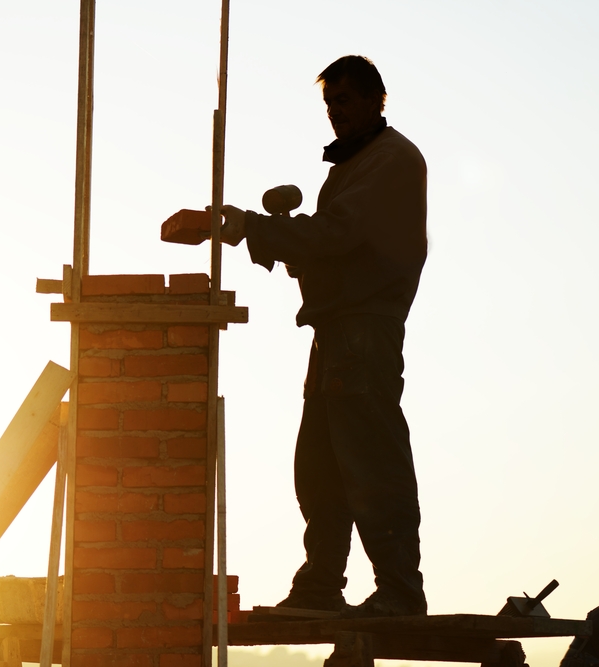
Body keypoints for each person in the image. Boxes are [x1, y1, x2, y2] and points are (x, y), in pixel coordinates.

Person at [220, 55, 428, 617]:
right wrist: (288, 243)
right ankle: (320, 586)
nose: (335, 114)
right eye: (328, 104)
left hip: (364, 331)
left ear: (374, 99)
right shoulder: (353, 164)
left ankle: (399, 591)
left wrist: (254, 229)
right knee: (321, 466)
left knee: (370, 459)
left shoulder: (390, 160)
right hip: (337, 332)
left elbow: (339, 235)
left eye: (344, 101)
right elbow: (333, 246)